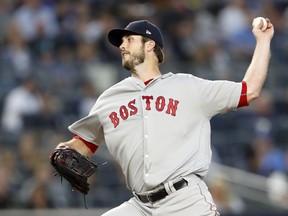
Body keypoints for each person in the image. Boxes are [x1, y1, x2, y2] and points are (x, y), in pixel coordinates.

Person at [51, 19, 274, 215]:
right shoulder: (109, 98)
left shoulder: (189, 87)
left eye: (129, 40)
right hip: (141, 205)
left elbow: (249, 90)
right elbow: (84, 143)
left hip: (185, 200)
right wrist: (65, 149)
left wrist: (263, 41)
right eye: (122, 42)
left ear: (149, 45)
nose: (122, 45)